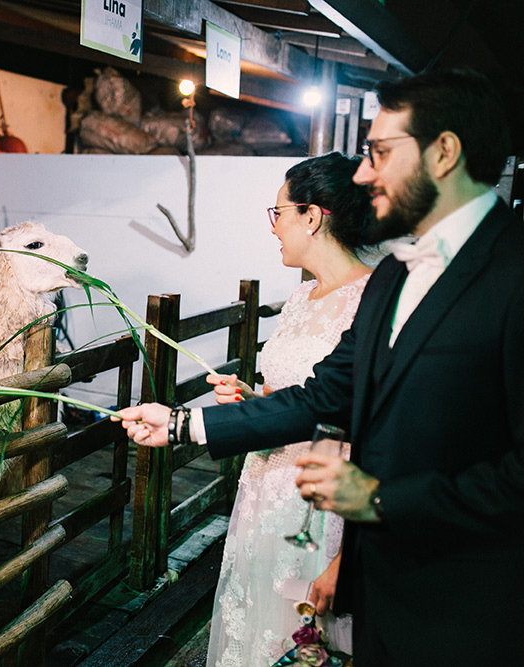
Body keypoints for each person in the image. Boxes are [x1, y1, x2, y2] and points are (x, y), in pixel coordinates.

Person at [116, 68, 521, 664]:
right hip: (375, 595)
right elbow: (322, 395)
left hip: (467, 613)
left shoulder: (513, 273)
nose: (363, 174)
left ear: (445, 152)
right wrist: (183, 425)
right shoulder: (394, 276)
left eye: (379, 153)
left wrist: (380, 504)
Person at [206, 152, 372, 667]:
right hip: (263, 488)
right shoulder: (300, 298)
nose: (273, 227)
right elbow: (295, 395)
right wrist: (254, 399)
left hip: (318, 504)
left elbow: (362, 416)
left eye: (278, 213)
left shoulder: (371, 300)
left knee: (304, 639)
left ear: (313, 216)